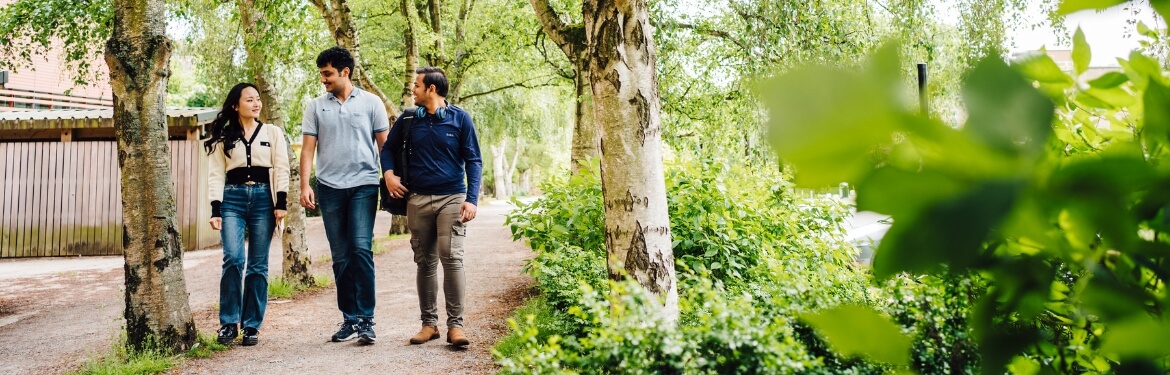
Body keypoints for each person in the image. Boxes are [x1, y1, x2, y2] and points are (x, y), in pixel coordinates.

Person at [381, 67, 482, 347]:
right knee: (424, 262)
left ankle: (456, 326)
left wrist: (472, 198)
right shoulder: (409, 119)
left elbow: (474, 160)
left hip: (452, 197)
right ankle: (429, 325)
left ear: (431, 89)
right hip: (418, 198)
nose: (412, 89)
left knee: (452, 257)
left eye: (416, 85)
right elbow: (388, 149)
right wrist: (389, 174)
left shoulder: (460, 119)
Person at [300, 46, 389, 345]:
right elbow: (308, 148)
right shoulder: (315, 107)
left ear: (345, 72)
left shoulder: (371, 103)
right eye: (322, 74)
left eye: (327, 74)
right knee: (340, 256)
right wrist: (305, 184)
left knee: (361, 249)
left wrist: (388, 176)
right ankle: (349, 319)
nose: (323, 79)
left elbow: (383, 146)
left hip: (364, 185)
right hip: (329, 188)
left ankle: (366, 319)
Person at [205, 82, 290, 347]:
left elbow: (282, 167)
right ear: (235, 105)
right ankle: (229, 323)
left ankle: (252, 325)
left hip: (265, 199)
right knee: (233, 258)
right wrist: (215, 208)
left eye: (257, 99)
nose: (256, 104)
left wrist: (281, 203)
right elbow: (216, 174)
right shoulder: (223, 137)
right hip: (232, 199)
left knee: (257, 265)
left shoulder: (272, 132)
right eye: (249, 100)